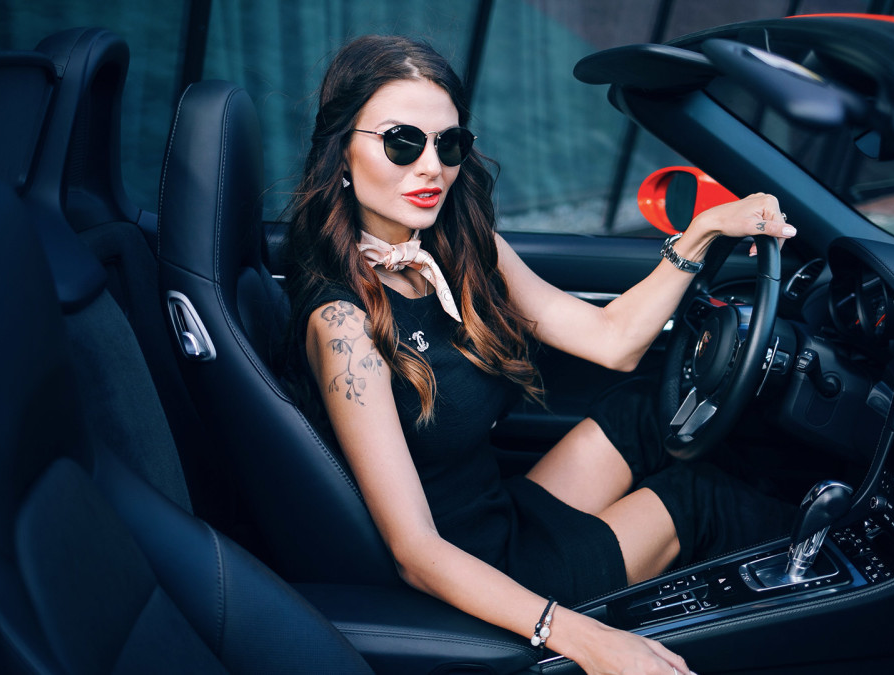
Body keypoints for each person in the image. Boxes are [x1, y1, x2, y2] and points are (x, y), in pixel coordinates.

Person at [283, 35, 797, 675]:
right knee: (702, 498)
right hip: (479, 575)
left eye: (449, 144)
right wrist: (584, 638)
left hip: (502, 513)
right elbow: (414, 549)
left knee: (645, 407)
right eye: (402, 142)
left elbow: (612, 341)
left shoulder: (462, 251)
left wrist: (702, 233)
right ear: (342, 152)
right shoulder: (342, 326)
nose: (432, 167)